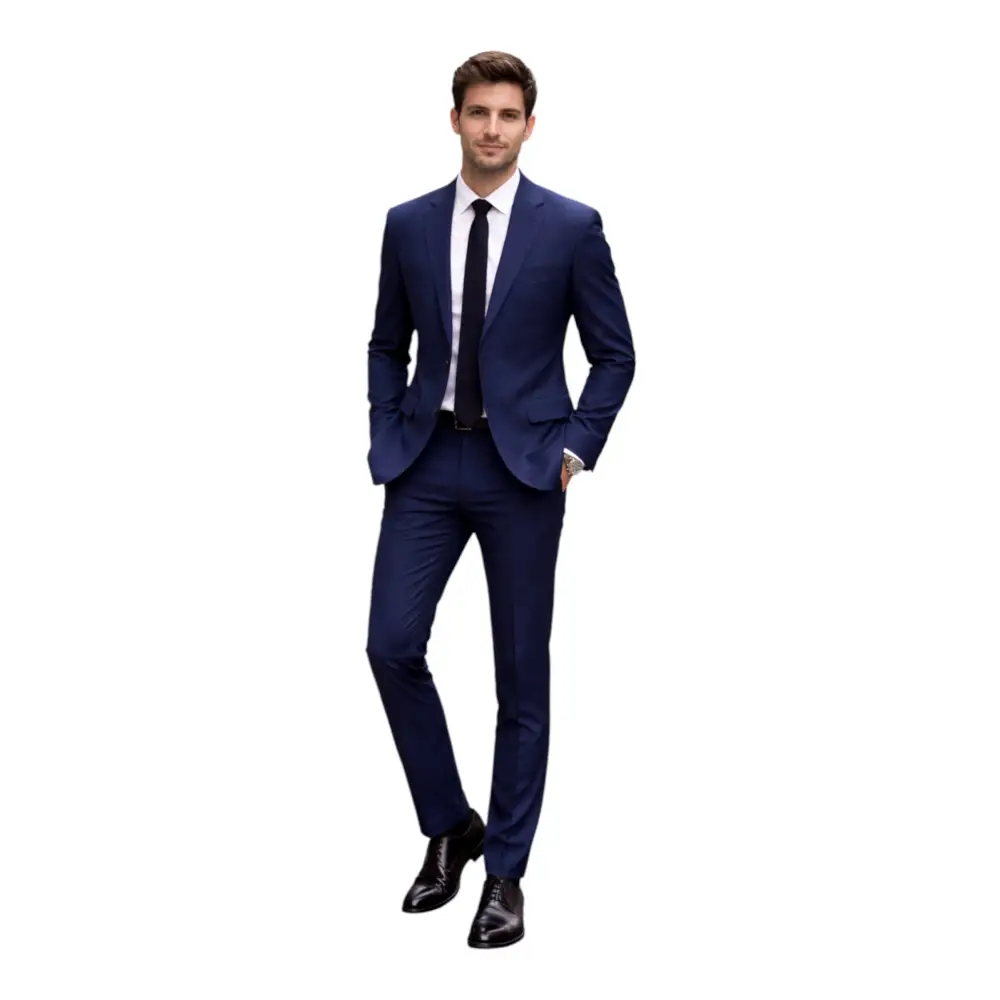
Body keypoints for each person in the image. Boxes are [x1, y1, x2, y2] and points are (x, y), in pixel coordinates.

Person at [364, 50, 635, 949]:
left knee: (521, 674)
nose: (491, 128)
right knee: (390, 645)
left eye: (507, 114)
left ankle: (506, 874)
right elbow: (386, 343)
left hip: (523, 472)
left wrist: (576, 446)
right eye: (478, 112)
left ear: (529, 125)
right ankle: (451, 824)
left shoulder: (571, 227)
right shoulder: (408, 224)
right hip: (425, 464)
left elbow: (616, 352)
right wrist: (386, 429)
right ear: (455, 120)